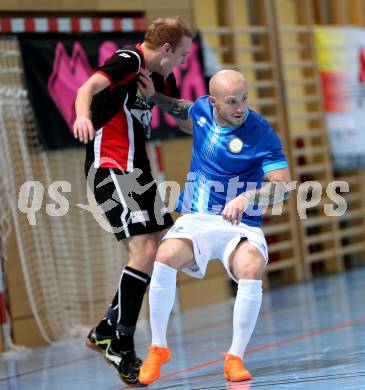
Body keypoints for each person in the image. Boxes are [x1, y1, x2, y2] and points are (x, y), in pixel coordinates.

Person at [136, 69, 291, 384]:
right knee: (164, 256)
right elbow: (181, 109)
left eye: (244, 99)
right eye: (232, 101)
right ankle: (158, 347)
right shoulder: (202, 111)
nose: (240, 108)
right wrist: (153, 96)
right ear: (213, 101)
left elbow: (284, 186)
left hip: (241, 224)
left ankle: (235, 357)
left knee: (250, 267)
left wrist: (249, 196)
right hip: (198, 218)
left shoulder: (260, 132)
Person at [73, 17, 195, 386]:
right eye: (183, 56)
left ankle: (107, 328)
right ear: (167, 49)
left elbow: (188, 123)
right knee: (142, 249)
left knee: (163, 247)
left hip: (138, 174)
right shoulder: (129, 59)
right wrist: (82, 115)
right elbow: (88, 86)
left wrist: (158, 97)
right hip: (110, 166)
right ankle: (120, 342)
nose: (183, 63)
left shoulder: (158, 79)